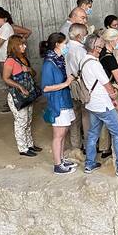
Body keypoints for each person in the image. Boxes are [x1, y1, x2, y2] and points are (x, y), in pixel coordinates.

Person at [80, 34, 118, 177]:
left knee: (93, 133)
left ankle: (89, 164)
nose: (102, 49)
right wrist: (113, 95)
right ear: (95, 48)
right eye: (101, 46)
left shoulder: (84, 60)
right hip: (102, 104)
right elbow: (107, 84)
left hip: (92, 104)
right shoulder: (95, 64)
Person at [40, 33, 77, 175]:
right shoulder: (49, 63)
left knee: (64, 132)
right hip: (57, 102)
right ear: (57, 44)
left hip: (64, 100)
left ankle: (61, 159)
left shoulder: (60, 60)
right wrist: (66, 83)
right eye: (65, 43)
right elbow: (45, 87)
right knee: (58, 135)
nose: (66, 46)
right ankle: (57, 165)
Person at [2, 35, 42, 157]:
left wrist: (28, 69)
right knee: (21, 121)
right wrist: (20, 87)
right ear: (15, 46)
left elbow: (33, 73)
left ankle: (29, 144)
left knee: (28, 120)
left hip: (27, 94)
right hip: (17, 96)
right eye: (21, 44)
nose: (24, 46)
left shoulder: (23, 58)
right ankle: (23, 148)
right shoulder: (10, 61)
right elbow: (5, 78)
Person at [96, 28, 118, 158]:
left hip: (102, 90)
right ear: (112, 40)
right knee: (117, 119)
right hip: (113, 88)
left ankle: (104, 147)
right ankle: (117, 147)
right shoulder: (110, 58)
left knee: (105, 120)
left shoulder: (101, 54)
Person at [66, 23, 92, 150]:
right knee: (86, 115)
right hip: (80, 85)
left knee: (74, 118)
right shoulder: (80, 50)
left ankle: (75, 145)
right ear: (79, 36)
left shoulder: (65, 47)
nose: (87, 36)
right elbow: (85, 70)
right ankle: (88, 145)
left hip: (68, 85)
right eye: (86, 33)